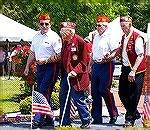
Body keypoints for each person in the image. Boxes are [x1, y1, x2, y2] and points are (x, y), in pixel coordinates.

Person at [24, 13, 62, 128]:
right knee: (45, 93)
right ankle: (50, 119)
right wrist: (27, 67)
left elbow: (60, 55)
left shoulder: (54, 36)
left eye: (47, 24)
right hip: (39, 68)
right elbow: (32, 53)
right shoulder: (36, 36)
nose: (44, 26)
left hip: (51, 67)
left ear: (50, 24)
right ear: (38, 24)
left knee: (43, 93)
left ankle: (37, 119)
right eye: (42, 24)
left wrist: (46, 61)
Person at [59, 21, 93, 129]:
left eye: (63, 32)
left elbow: (84, 61)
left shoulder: (80, 41)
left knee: (78, 98)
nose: (61, 34)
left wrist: (75, 71)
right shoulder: (65, 41)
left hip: (77, 75)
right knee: (63, 96)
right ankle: (64, 122)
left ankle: (86, 120)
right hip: (66, 74)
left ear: (70, 32)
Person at [118, 16, 146, 127]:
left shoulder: (137, 38)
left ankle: (129, 118)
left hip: (136, 70)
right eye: (121, 26)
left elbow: (140, 55)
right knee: (122, 93)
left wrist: (133, 70)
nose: (122, 28)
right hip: (125, 67)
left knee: (133, 94)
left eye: (124, 26)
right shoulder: (123, 37)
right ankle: (135, 112)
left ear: (130, 25)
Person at [90, 16, 118, 124]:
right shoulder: (96, 36)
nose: (99, 27)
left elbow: (116, 51)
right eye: (97, 25)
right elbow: (93, 53)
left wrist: (109, 57)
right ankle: (96, 118)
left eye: (101, 25)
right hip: (96, 65)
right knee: (95, 92)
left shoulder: (110, 36)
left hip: (107, 65)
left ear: (106, 26)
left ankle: (113, 113)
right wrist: (89, 66)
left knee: (104, 89)